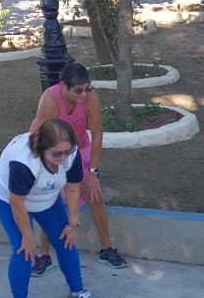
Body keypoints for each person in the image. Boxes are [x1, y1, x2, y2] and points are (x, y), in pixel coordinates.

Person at [0, 119, 108, 298]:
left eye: (66, 152)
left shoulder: (71, 154)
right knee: (24, 249)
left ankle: (77, 293)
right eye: (56, 154)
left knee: (66, 240)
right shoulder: (23, 163)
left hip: (46, 197)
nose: (63, 158)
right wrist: (28, 236)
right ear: (41, 149)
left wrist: (72, 224)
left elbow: (73, 189)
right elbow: (17, 203)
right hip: (7, 198)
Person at [29, 62, 129, 275]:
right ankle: (44, 255)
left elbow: (97, 135)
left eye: (87, 88)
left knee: (95, 194)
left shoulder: (90, 97)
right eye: (78, 90)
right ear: (63, 86)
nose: (84, 94)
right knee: (50, 200)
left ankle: (106, 249)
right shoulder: (50, 99)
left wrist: (92, 172)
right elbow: (40, 138)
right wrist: (49, 166)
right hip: (50, 150)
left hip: (79, 147)